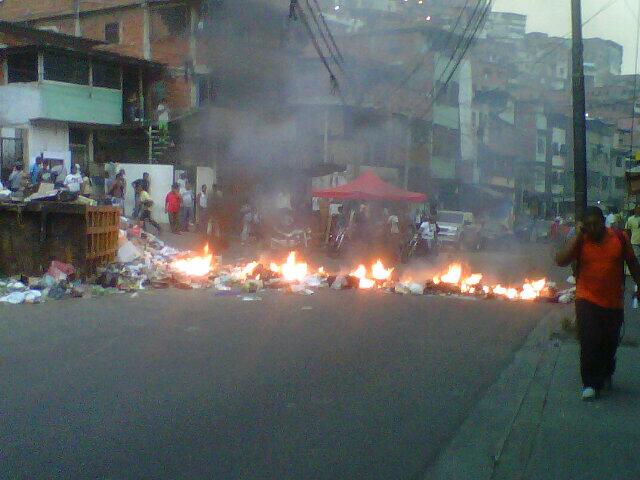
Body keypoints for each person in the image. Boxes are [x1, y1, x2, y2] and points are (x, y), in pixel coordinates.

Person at [556, 206, 640, 400]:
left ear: (604, 222)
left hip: (613, 302)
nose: (593, 228)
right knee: (589, 341)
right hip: (587, 299)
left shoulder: (619, 238)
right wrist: (577, 237)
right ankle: (590, 384)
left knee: (609, 344)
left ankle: (607, 369)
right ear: (584, 226)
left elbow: (633, 263)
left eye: (596, 224)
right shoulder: (581, 240)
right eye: (589, 225)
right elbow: (560, 260)